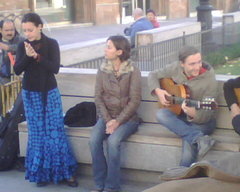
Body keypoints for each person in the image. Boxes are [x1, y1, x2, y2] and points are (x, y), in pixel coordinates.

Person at [14, 13, 78, 187]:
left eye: (30, 29)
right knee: (36, 134)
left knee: (55, 132)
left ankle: (64, 172)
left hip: (49, 92)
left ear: (39, 27)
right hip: (30, 93)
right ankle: (41, 173)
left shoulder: (51, 44)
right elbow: (17, 69)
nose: (27, 33)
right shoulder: (22, 45)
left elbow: (55, 68)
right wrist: (27, 56)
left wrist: (36, 56)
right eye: (25, 30)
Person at [148, 46, 218, 167]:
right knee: (161, 114)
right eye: (192, 64)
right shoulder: (174, 68)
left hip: (202, 121)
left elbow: (207, 116)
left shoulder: (209, 79)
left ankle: (180, 179)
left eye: (199, 62)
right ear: (182, 64)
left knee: (188, 144)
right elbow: (153, 75)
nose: (197, 67)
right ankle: (200, 139)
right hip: (180, 115)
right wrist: (158, 91)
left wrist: (193, 114)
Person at [89, 35, 141, 192]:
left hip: (127, 119)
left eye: (109, 47)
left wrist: (117, 122)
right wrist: (108, 120)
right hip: (106, 117)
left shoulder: (133, 70)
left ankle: (112, 186)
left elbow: (135, 101)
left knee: (113, 142)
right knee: (93, 141)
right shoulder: (102, 70)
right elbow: (98, 97)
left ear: (119, 51)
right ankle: (99, 183)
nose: (105, 50)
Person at [0, 19, 24, 84]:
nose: (9, 33)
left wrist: (8, 48)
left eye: (12, 30)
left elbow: (24, 48)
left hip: (17, 80)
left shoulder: (20, 40)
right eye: (7, 30)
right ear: (1, 30)